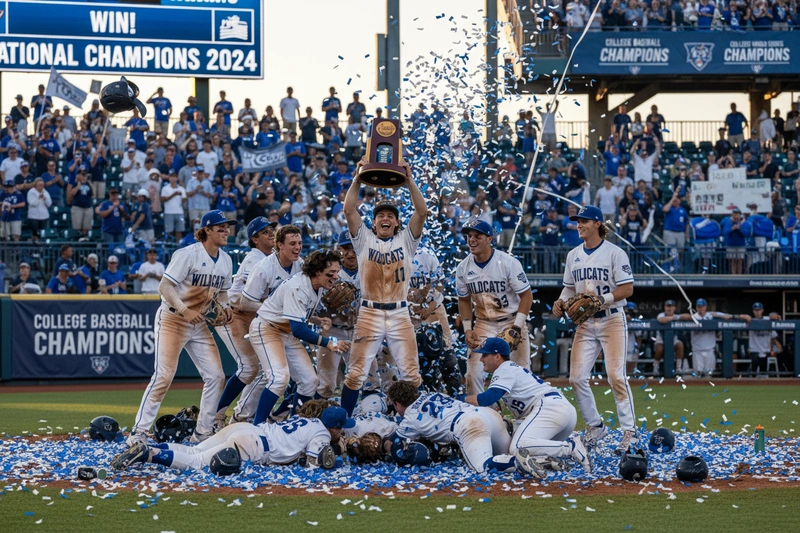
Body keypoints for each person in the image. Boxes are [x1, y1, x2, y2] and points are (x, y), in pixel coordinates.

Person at [128, 210, 236, 445]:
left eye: (228, 227)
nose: (226, 231)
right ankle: (139, 431)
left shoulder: (226, 260)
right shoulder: (188, 254)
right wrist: (184, 309)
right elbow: (164, 286)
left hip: (198, 324)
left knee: (216, 376)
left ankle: (202, 433)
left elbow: (224, 291)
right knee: (164, 376)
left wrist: (226, 306)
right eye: (221, 227)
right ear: (207, 230)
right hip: (173, 319)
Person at [338, 160, 428, 417]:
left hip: (400, 313)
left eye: (390, 216)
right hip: (369, 313)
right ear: (374, 224)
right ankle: (343, 422)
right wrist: (357, 178)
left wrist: (410, 180)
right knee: (355, 373)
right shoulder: (363, 239)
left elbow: (421, 213)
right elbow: (349, 210)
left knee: (411, 373)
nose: (385, 218)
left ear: (397, 223)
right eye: (380, 216)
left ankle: (414, 422)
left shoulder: (406, 240)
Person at [551, 205, 637, 454]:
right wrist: (560, 300)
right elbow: (569, 288)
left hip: (611, 318)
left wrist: (603, 299)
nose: (579, 225)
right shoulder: (573, 255)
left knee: (616, 376)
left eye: (584, 221)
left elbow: (627, 288)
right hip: (586, 323)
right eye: (577, 222)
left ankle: (629, 432)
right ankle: (595, 426)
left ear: (598, 224)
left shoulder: (615, 253)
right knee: (576, 378)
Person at [248, 249, 349, 425]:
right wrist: (329, 343)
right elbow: (299, 330)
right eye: (331, 273)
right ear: (317, 271)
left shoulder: (314, 285)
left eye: (337, 272)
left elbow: (296, 314)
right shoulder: (299, 287)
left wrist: (316, 320)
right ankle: (258, 426)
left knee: (310, 381)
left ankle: (295, 424)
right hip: (267, 329)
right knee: (279, 379)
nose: (335, 276)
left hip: (284, 331)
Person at [464, 338, 591, 477]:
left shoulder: (504, 369)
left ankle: (571, 448)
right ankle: (544, 460)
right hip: (563, 413)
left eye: (485, 355)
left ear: (497, 356)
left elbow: (487, 398)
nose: (481, 359)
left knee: (518, 447)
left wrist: (460, 399)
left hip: (550, 409)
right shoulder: (511, 368)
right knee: (529, 451)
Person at [111, 405, 345, 474]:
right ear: (334, 428)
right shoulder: (322, 433)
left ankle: (150, 446)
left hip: (245, 428)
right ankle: (149, 454)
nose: (341, 434)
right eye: (341, 430)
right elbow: (316, 464)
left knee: (192, 451)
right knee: (197, 462)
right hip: (252, 446)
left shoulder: (309, 421)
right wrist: (338, 459)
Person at [230, 224, 304, 424]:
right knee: (259, 372)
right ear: (279, 245)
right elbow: (244, 302)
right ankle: (237, 418)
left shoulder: (300, 265)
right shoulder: (260, 263)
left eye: (300, 243)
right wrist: (273, 307)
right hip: (242, 316)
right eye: (292, 243)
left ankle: (277, 419)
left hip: (280, 325)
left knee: (303, 379)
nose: (297, 247)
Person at [212, 217, 277, 429]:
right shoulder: (254, 259)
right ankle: (217, 415)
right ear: (255, 239)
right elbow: (251, 296)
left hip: (253, 316)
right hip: (234, 314)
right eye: (266, 232)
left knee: (264, 372)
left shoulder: (272, 258)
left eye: (272, 230)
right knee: (249, 367)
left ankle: (242, 416)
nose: (272, 234)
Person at [456, 217, 533, 395]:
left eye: (477, 236)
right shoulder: (463, 267)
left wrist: (517, 327)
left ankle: (524, 418)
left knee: (522, 373)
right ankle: (484, 417)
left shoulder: (508, 263)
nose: (472, 240)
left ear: (490, 239)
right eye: (469, 236)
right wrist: (468, 329)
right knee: (473, 373)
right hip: (483, 323)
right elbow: (464, 300)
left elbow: (526, 296)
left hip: (511, 320)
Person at [386, 380, 515, 474]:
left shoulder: (409, 418)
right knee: (508, 453)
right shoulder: (431, 394)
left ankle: (519, 463)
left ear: (397, 404)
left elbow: (392, 442)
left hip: (470, 425)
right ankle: (528, 457)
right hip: (487, 414)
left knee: (483, 466)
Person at [316, 231, 362, 399]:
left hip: (360, 331)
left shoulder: (369, 269)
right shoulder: (330, 271)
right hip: (333, 331)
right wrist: (333, 309)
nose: (350, 253)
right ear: (339, 249)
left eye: (354, 248)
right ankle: (315, 419)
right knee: (326, 384)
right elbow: (317, 309)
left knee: (364, 379)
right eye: (345, 248)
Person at [683, 298, 745, 377]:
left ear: (705, 307)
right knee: (698, 375)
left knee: (709, 374)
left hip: (710, 350)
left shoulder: (711, 316)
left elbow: (727, 316)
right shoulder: (693, 317)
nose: (701, 308)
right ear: (696, 307)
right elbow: (682, 318)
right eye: (699, 307)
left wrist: (719, 315)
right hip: (697, 351)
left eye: (702, 306)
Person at [653, 300, 693, 376]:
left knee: (680, 345)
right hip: (660, 339)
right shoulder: (661, 314)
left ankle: (678, 368)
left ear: (674, 308)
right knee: (659, 349)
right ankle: (655, 368)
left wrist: (677, 317)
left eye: (671, 306)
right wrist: (673, 318)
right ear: (665, 307)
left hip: (673, 339)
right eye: (668, 306)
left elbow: (689, 316)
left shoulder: (676, 316)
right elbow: (661, 320)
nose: (669, 308)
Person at [748, 302, 781, 375]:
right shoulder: (750, 320)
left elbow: (774, 336)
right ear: (753, 311)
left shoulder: (768, 320)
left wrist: (771, 347)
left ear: (762, 310)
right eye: (755, 310)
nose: (757, 312)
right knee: (753, 373)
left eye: (759, 310)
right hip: (754, 350)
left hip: (765, 351)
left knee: (764, 374)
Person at [722, 208, 751, 275]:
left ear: (740, 215)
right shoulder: (728, 222)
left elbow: (746, 234)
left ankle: (739, 275)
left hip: (740, 244)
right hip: (730, 244)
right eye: (734, 214)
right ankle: (733, 275)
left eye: (737, 214)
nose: (735, 216)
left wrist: (739, 229)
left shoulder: (744, 222)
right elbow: (725, 232)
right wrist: (732, 229)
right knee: (732, 260)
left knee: (740, 260)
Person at [67, 170, 93, 237]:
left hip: (88, 207)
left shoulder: (89, 184)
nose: (84, 176)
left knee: (86, 226)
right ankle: (76, 239)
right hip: (77, 207)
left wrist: (89, 182)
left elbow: (93, 194)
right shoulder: (75, 183)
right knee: (77, 226)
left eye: (85, 174)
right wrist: (78, 186)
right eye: (82, 174)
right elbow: (72, 193)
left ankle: (84, 239)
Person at [161, 173, 187, 241]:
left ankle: (179, 246)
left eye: (174, 177)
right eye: (171, 177)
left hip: (179, 212)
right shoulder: (165, 188)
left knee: (179, 230)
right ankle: (169, 245)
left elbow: (184, 199)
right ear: (169, 178)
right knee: (169, 231)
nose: (173, 179)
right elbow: (163, 199)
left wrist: (182, 198)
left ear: (177, 178)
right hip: (169, 212)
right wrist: (174, 194)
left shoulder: (181, 188)